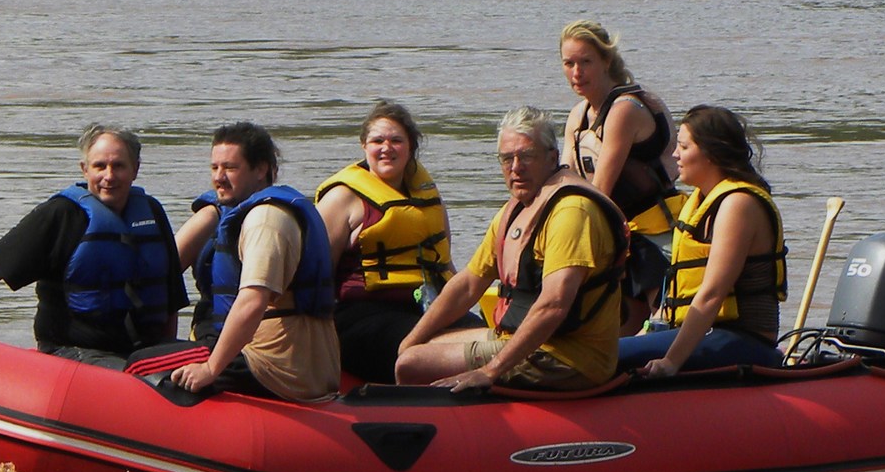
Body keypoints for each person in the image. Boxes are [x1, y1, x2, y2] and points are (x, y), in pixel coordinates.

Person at [395, 109, 626, 391]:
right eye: (507, 158)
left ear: (552, 158)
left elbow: (553, 305)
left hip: (568, 357)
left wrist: (490, 371)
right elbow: (468, 284)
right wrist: (410, 340)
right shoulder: (516, 210)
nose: (516, 167)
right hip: (524, 340)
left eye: (526, 156)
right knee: (413, 350)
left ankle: (441, 429)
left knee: (411, 365)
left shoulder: (572, 212)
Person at [0, 127, 187, 360]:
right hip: (73, 354)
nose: (109, 176)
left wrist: (166, 354)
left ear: (135, 169)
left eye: (118, 166)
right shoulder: (61, 215)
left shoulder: (152, 213)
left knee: (210, 363)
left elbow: (169, 302)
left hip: (142, 351)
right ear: (85, 169)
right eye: (100, 166)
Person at [170, 122, 342, 401]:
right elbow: (164, 275)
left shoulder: (267, 221)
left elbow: (253, 301)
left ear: (261, 169)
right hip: (267, 354)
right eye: (214, 168)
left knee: (142, 367)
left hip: (275, 365)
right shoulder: (225, 213)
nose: (219, 178)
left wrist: (211, 368)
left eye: (230, 168)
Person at [622, 106, 789, 376]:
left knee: (614, 356)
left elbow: (712, 295)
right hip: (706, 333)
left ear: (711, 153)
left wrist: (671, 362)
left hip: (743, 339)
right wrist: (649, 330)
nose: (675, 154)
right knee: (614, 349)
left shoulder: (738, 204)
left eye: (684, 147)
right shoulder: (701, 202)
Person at [314, 104, 453, 384]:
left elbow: (445, 264)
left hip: (425, 311)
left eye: (396, 140)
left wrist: (459, 307)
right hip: (362, 320)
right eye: (378, 141)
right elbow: (314, 275)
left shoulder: (426, 198)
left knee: (484, 334)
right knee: (454, 348)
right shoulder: (341, 199)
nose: (386, 148)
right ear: (364, 146)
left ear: (411, 146)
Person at [558, 19, 679, 327]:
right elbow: (564, 181)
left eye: (586, 62)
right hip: (616, 230)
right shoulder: (578, 115)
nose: (576, 73)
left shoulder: (625, 109)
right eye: (569, 63)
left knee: (659, 318)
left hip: (652, 232)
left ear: (606, 61)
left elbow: (600, 190)